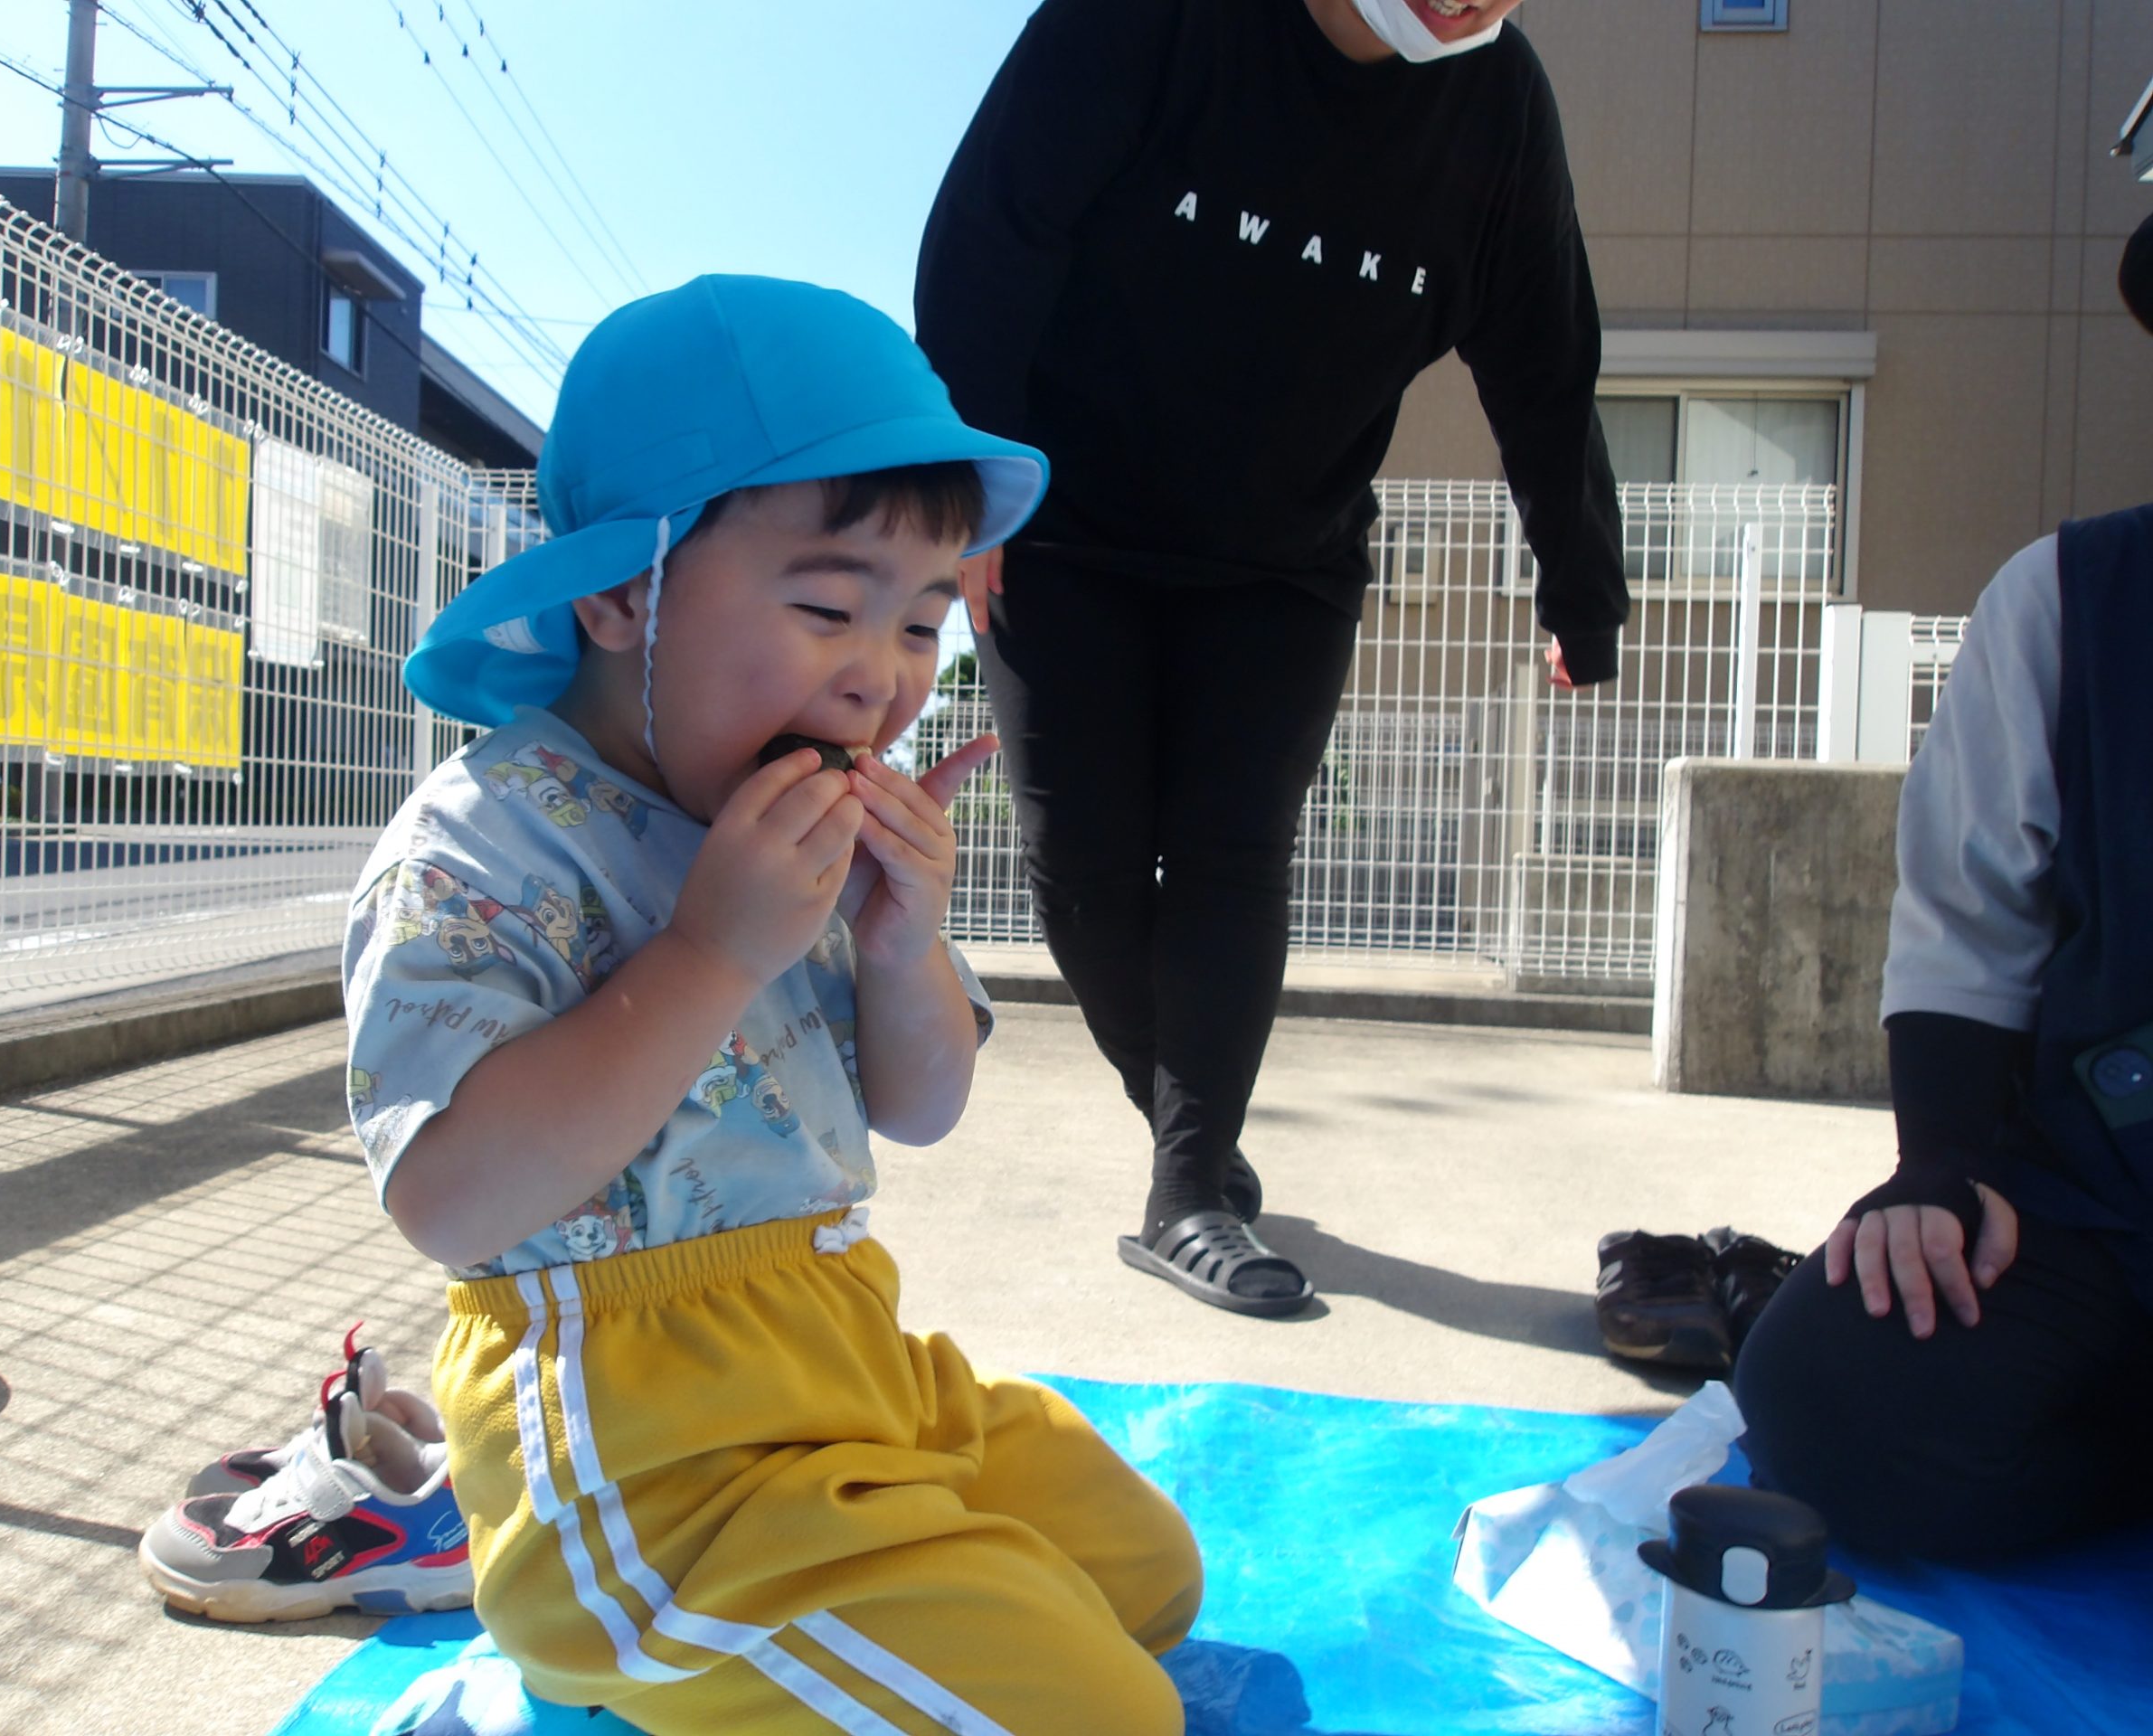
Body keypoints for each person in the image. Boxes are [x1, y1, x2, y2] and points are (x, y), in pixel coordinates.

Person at [343, 277, 1203, 1732]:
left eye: (926, 624)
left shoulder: (801, 824)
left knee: (1149, 1575)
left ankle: (874, 1584)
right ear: (626, 594)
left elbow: (921, 1110)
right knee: (1103, 1716)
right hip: (643, 1457)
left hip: (846, 1370)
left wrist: (902, 944)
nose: (880, 679)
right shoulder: (486, 840)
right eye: (826, 607)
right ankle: (624, 1652)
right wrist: (710, 955)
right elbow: (449, 1203)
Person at [914, 0, 1629, 1316]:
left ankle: (1185, 1189)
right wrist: (971, 489)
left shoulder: (1499, 109)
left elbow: (1546, 357)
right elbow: (991, 232)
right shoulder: (1160, 23)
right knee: (1080, 869)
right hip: (1065, 532)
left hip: (1287, 559)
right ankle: (1193, 1126)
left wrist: (1582, 591)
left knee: (1237, 853)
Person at [1733, 216, 2153, 1561]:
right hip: (2100, 1197)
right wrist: (1943, 1170)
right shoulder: (2069, 601)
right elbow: (1970, 932)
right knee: (1833, 1388)